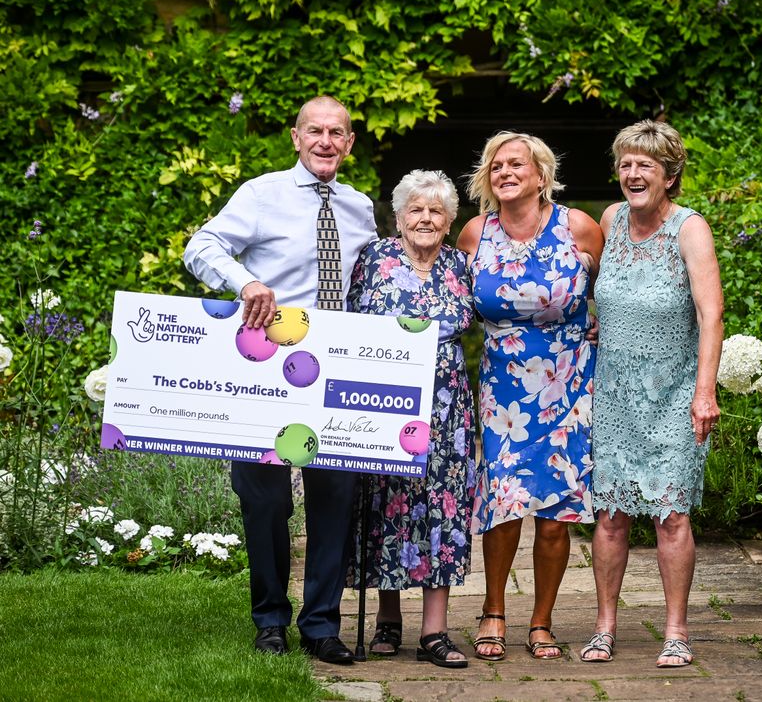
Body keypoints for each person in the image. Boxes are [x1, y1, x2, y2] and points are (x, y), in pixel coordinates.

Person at [183, 95, 377, 664]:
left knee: (335, 498)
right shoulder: (261, 194)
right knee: (264, 499)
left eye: (336, 132)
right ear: (296, 138)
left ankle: (321, 625)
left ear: (349, 143)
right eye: (314, 131)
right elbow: (202, 246)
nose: (325, 141)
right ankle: (269, 619)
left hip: (337, 369)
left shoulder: (361, 206)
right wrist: (245, 284)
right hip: (264, 367)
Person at [579, 119, 723, 666]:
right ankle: (604, 627)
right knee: (611, 514)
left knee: (671, 515)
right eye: (626, 163)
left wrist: (704, 392)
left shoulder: (689, 229)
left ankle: (676, 631)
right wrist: (597, 320)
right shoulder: (611, 220)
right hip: (614, 390)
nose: (633, 173)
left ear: (670, 174)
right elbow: (599, 290)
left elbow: (711, 316)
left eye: (645, 165)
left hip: (673, 391)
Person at [457, 132, 603, 660]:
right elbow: (453, 303)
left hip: (568, 382)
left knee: (557, 508)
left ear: (542, 175)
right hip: (503, 390)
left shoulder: (579, 228)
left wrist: (599, 325)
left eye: (516, 164)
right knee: (503, 500)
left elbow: (609, 293)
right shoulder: (475, 233)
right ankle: (493, 611)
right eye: (496, 166)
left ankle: (542, 621)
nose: (505, 172)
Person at [345, 170, 476, 669]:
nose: (425, 218)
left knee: (441, 510)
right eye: (415, 210)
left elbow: (506, 312)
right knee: (386, 505)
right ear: (398, 217)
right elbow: (346, 323)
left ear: (448, 221)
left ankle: (435, 632)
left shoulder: (461, 266)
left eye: (435, 211)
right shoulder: (374, 260)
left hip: (446, 409)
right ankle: (387, 618)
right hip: (385, 400)